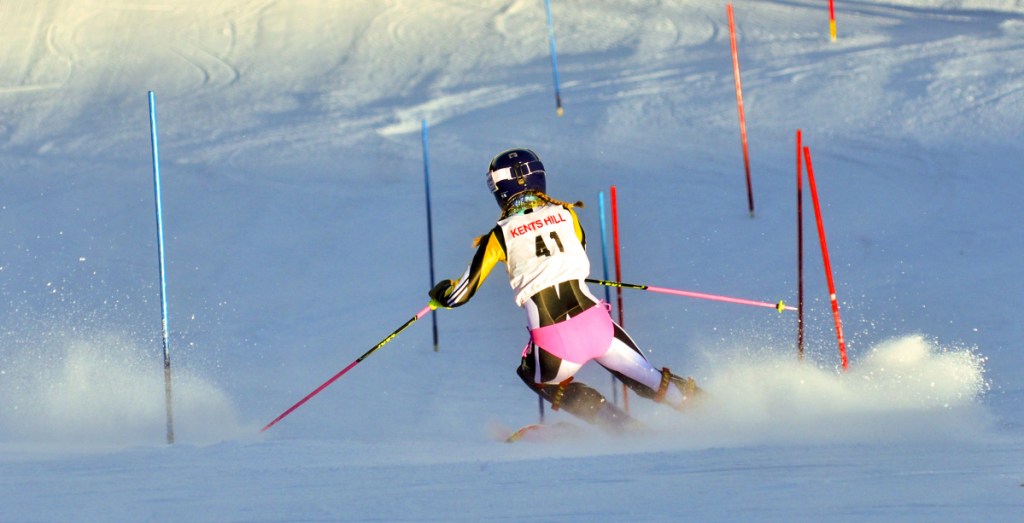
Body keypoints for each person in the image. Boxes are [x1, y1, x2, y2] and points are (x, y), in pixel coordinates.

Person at [428, 148, 701, 432]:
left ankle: (623, 428)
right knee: (650, 379)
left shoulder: (499, 234)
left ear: (502, 189)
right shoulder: (565, 213)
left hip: (553, 344)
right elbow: (578, 249)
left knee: (533, 375)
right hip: (597, 325)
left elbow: (459, 295)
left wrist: (440, 295)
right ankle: (717, 412)